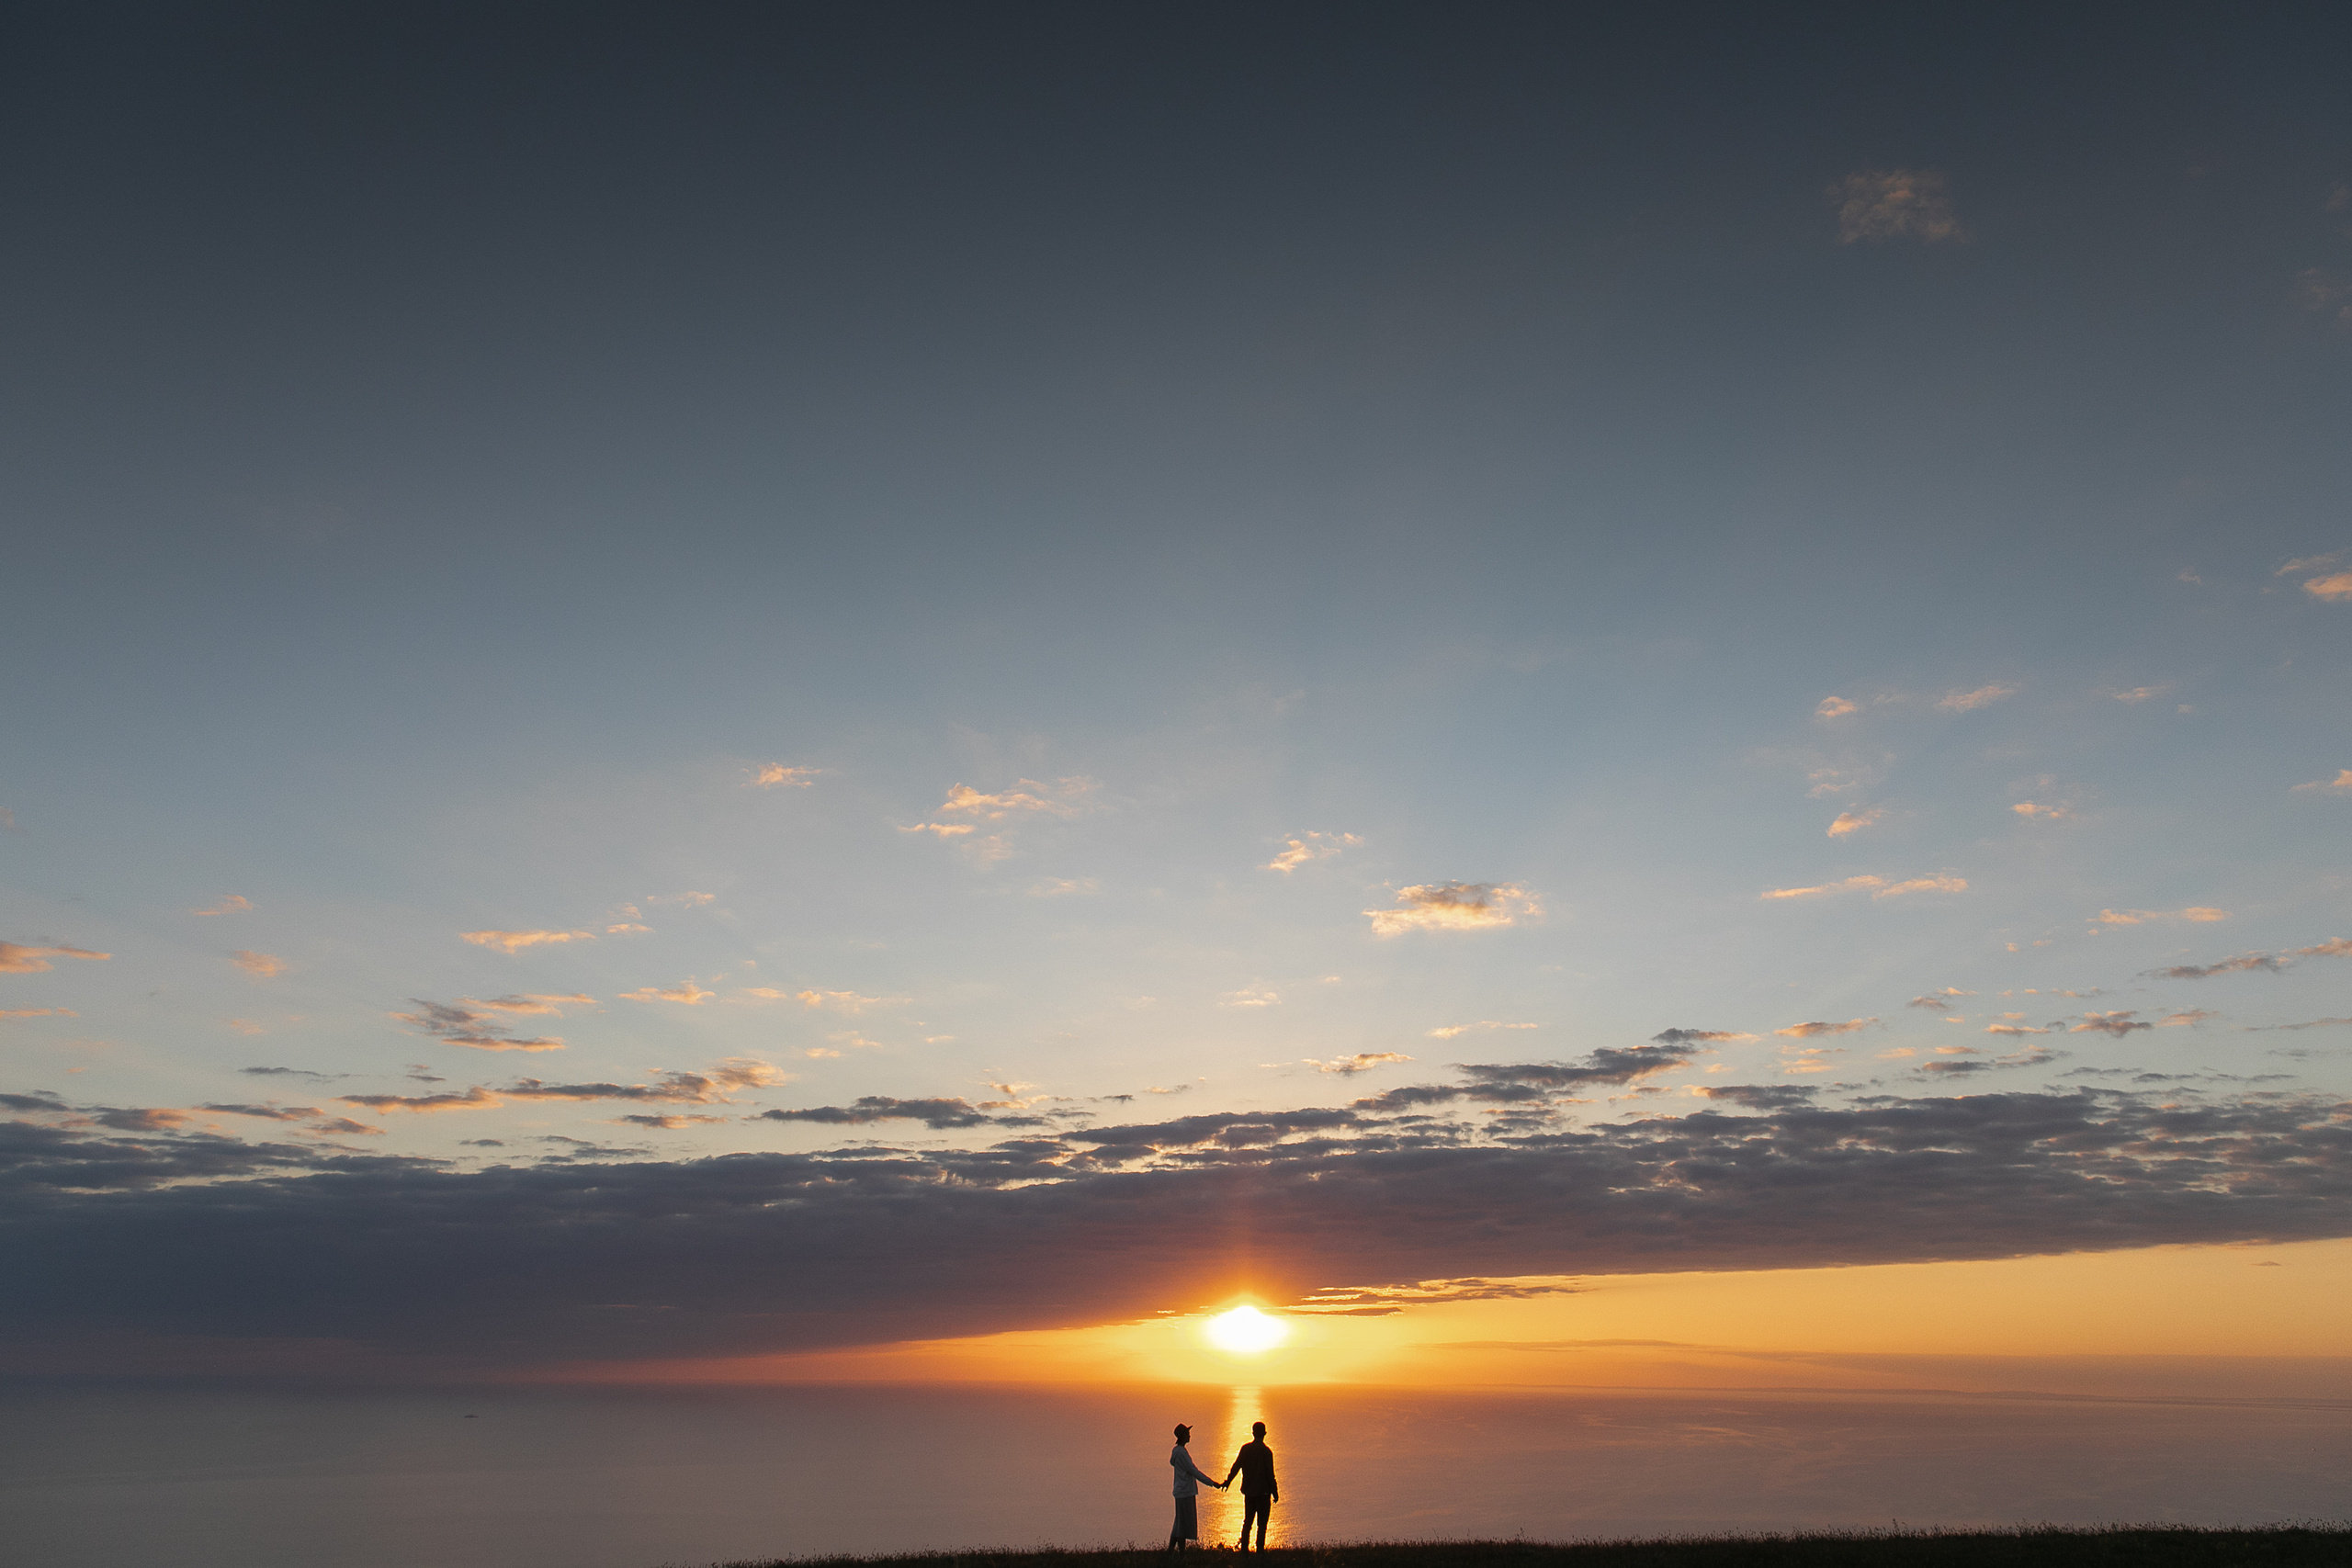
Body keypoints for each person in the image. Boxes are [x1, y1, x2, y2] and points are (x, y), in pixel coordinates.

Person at [1166, 1422, 1226, 1551]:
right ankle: (1181, 1553)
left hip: (1180, 1491)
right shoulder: (1181, 1453)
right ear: (1182, 1437)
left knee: (1179, 1523)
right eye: (1187, 1434)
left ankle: (1170, 1551)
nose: (1189, 1436)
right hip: (1185, 1491)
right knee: (1182, 1525)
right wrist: (1212, 1483)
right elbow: (1194, 1471)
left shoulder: (1177, 1451)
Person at [1222, 1421, 1279, 1551]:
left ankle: (1244, 1550)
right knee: (1262, 1525)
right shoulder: (1267, 1452)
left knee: (1247, 1523)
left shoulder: (1245, 1449)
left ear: (1253, 1433)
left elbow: (1236, 1466)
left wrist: (1228, 1481)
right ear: (1264, 1434)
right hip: (1264, 1494)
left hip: (1249, 1493)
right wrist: (1275, 1492)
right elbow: (1271, 1474)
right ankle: (1259, 1551)